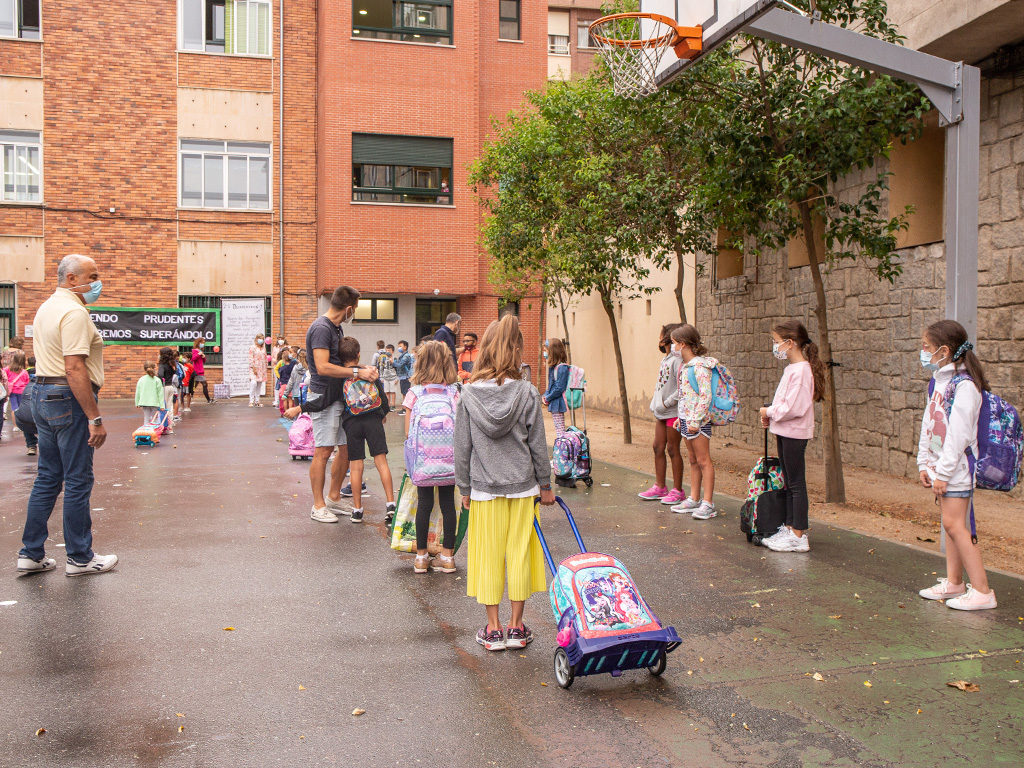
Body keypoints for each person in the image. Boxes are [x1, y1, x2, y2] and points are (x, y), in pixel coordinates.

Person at [455, 315, 554, 652]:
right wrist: (546, 484)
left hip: (484, 490)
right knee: (520, 554)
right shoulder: (527, 392)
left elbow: (462, 447)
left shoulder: (467, 395)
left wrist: (464, 488)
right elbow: (538, 444)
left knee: (488, 555)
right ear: (516, 351)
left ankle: (493, 629)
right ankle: (516, 627)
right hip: (523, 488)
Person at [17, 253, 117, 576]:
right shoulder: (74, 313)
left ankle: (31, 552)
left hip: (42, 393)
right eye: (93, 275)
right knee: (78, 478)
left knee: (47, 477)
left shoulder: (46, 308)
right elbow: (74, 368)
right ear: (72, 278)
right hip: (68, 398)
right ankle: (80, 556)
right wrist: (95, 417)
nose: (97, 282)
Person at [915, 320, 997, 610]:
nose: (922, 352)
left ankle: (983, 591)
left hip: (957, 470)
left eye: (926, 346)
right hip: (944, 469)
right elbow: (930, 423)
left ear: (944, 350)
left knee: (955, 526)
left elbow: (959, 436)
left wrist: (944, 473)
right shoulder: (939, 380)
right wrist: (924, 463)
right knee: (951, 526)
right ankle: (954, 583)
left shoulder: (965, 387)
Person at [289, 337, 394, 524]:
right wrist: (381, 414)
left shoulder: (339, 378)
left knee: (355, 466)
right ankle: (390, 504)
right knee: (381, 462)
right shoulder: (368, 372)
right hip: (373, 422)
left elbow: (323, 401)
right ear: (359, 354)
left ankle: (357, 509)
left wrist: (299, 408)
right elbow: (383, 400)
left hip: (352, 424)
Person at [303, 286, 378, 523]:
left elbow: (339, 363)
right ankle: (318, 506)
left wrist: (363, 369)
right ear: (348, 308)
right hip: (324, 396)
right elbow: (323, 367)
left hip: (340, 397)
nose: (353, 313)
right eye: (354, 309)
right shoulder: (321, 328)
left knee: (345, 450)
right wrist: (357, 371)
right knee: (323, 451)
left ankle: (334, 498)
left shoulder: (335, 328)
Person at [758, 320, 825, 554]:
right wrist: (771, 415)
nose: (775, 347)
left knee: (796, 483)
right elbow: (784, 404)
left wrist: (770, 412)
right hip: (785, 431)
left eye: (777, 342)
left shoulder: (803, 371)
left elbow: (793, 407)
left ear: (790, 343)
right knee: (790, 482)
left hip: (795, 433)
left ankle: (798, 533)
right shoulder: (792, 369)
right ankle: (789, 528)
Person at [403, 340, 460, 574]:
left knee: (424, 504)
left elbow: (408, 434)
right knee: (448, 504)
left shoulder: (414, 393)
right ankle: (447, 558)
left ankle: (421, 558)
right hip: (449, 463)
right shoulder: (454, 393)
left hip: (423, 463)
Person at [669, 325, 717, 520]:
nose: (673, 348)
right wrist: (681, 419)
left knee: (704, 460)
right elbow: (685, 396)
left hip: (698, 422)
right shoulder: (685, 366)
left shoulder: (699, 366)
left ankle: (708, 502)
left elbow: (705, 396)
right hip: (686, 421)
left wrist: (695, 420)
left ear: (682, 344)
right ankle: (694, 498)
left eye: (674, 343)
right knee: (693, 459)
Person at [639, 324, 685, 506]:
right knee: (657, 447)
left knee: (673, 449)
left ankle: (678, 490)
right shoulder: (666, 360)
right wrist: (656, 404)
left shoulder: (677, 361)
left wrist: (666, 403)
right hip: (661, 413)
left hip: (673, 412)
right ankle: (660, 486)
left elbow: (681, 388)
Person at [541, 338, 570, 437]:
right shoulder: (553, 367)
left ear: (553, 351)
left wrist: (548, 397)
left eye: (546, 350)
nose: (544, 353)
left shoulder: (562, 368)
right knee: (558, 428)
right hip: (554, 401)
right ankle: (562, 448)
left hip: (558, 402)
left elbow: (559, 387)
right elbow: (551, 385)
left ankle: (563, 448)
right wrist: (545, 396)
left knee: (560, 430)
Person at [4, 350, 29, 431]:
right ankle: (22, 425)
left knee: (14, 408)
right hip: (22, 392)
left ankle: (15, 426)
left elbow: (3, 374)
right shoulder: (24, 372)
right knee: (22, 408)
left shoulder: (8, 369)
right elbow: (27, 382)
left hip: (12, 391)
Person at [15, 378, 37, 456]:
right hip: (39, 422)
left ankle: (31, 446)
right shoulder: (43, 386)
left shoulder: (27, 387)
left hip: (24, 422)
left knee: (22, 415)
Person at [157, 347, 177, 431]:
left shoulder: (162, 365)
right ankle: (170, 426)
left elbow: (160, 375)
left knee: (163, 406)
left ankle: (162, 425)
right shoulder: (172, 364)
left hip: (164, 387)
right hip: (171, 386)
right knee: (170, 406)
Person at [190, 338, 214, 406]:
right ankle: (208, 399)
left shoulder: (200, 350)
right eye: (202, 342)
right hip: (197, 371)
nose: (203, 344)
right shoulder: (194, 350)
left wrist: (203, 357)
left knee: (194, 386)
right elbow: (192, 359)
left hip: (200, 371)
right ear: (198, 343)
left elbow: (203, 361)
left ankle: (189, 396)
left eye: (203, 343)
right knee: (204, 384)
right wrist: (198, 354)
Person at [393, 340, 414, 408]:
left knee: (405, 393)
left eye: (400, 346)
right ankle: (405, 408)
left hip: (405, 377)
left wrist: (393, 363)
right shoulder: (402, 356)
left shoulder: (405, 356)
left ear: (405, 347)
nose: (399, 347)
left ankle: (405, 409)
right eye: (398, 346)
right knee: (404, 392)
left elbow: (400, 365)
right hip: (402, 376)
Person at [249, 333, 267, 407]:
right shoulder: (252, 347)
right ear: (256, 339)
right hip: (254, 368)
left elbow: (265, 358)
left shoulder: (263, 348)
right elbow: (250, 358)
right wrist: (253, 368)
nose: (261, 340)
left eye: (262, 339)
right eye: (260, 338)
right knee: (253, 383)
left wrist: (266, 367)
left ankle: (257, 400)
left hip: (262, 369)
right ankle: (251, 400)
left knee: (259, 385)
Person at [380, 343, 400, 409]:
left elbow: (398, 369)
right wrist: (381, 377)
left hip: (393, 378)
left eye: (389, 350)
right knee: (387, 392)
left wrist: (397, 378)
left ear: (393, 351)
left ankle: (393, 405)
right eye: (387, 350)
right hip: (385, 378)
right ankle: (387, 405)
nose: (388, 352)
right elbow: (381, 368)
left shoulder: (395, 359)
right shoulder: (383, 359)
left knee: (392, 392)